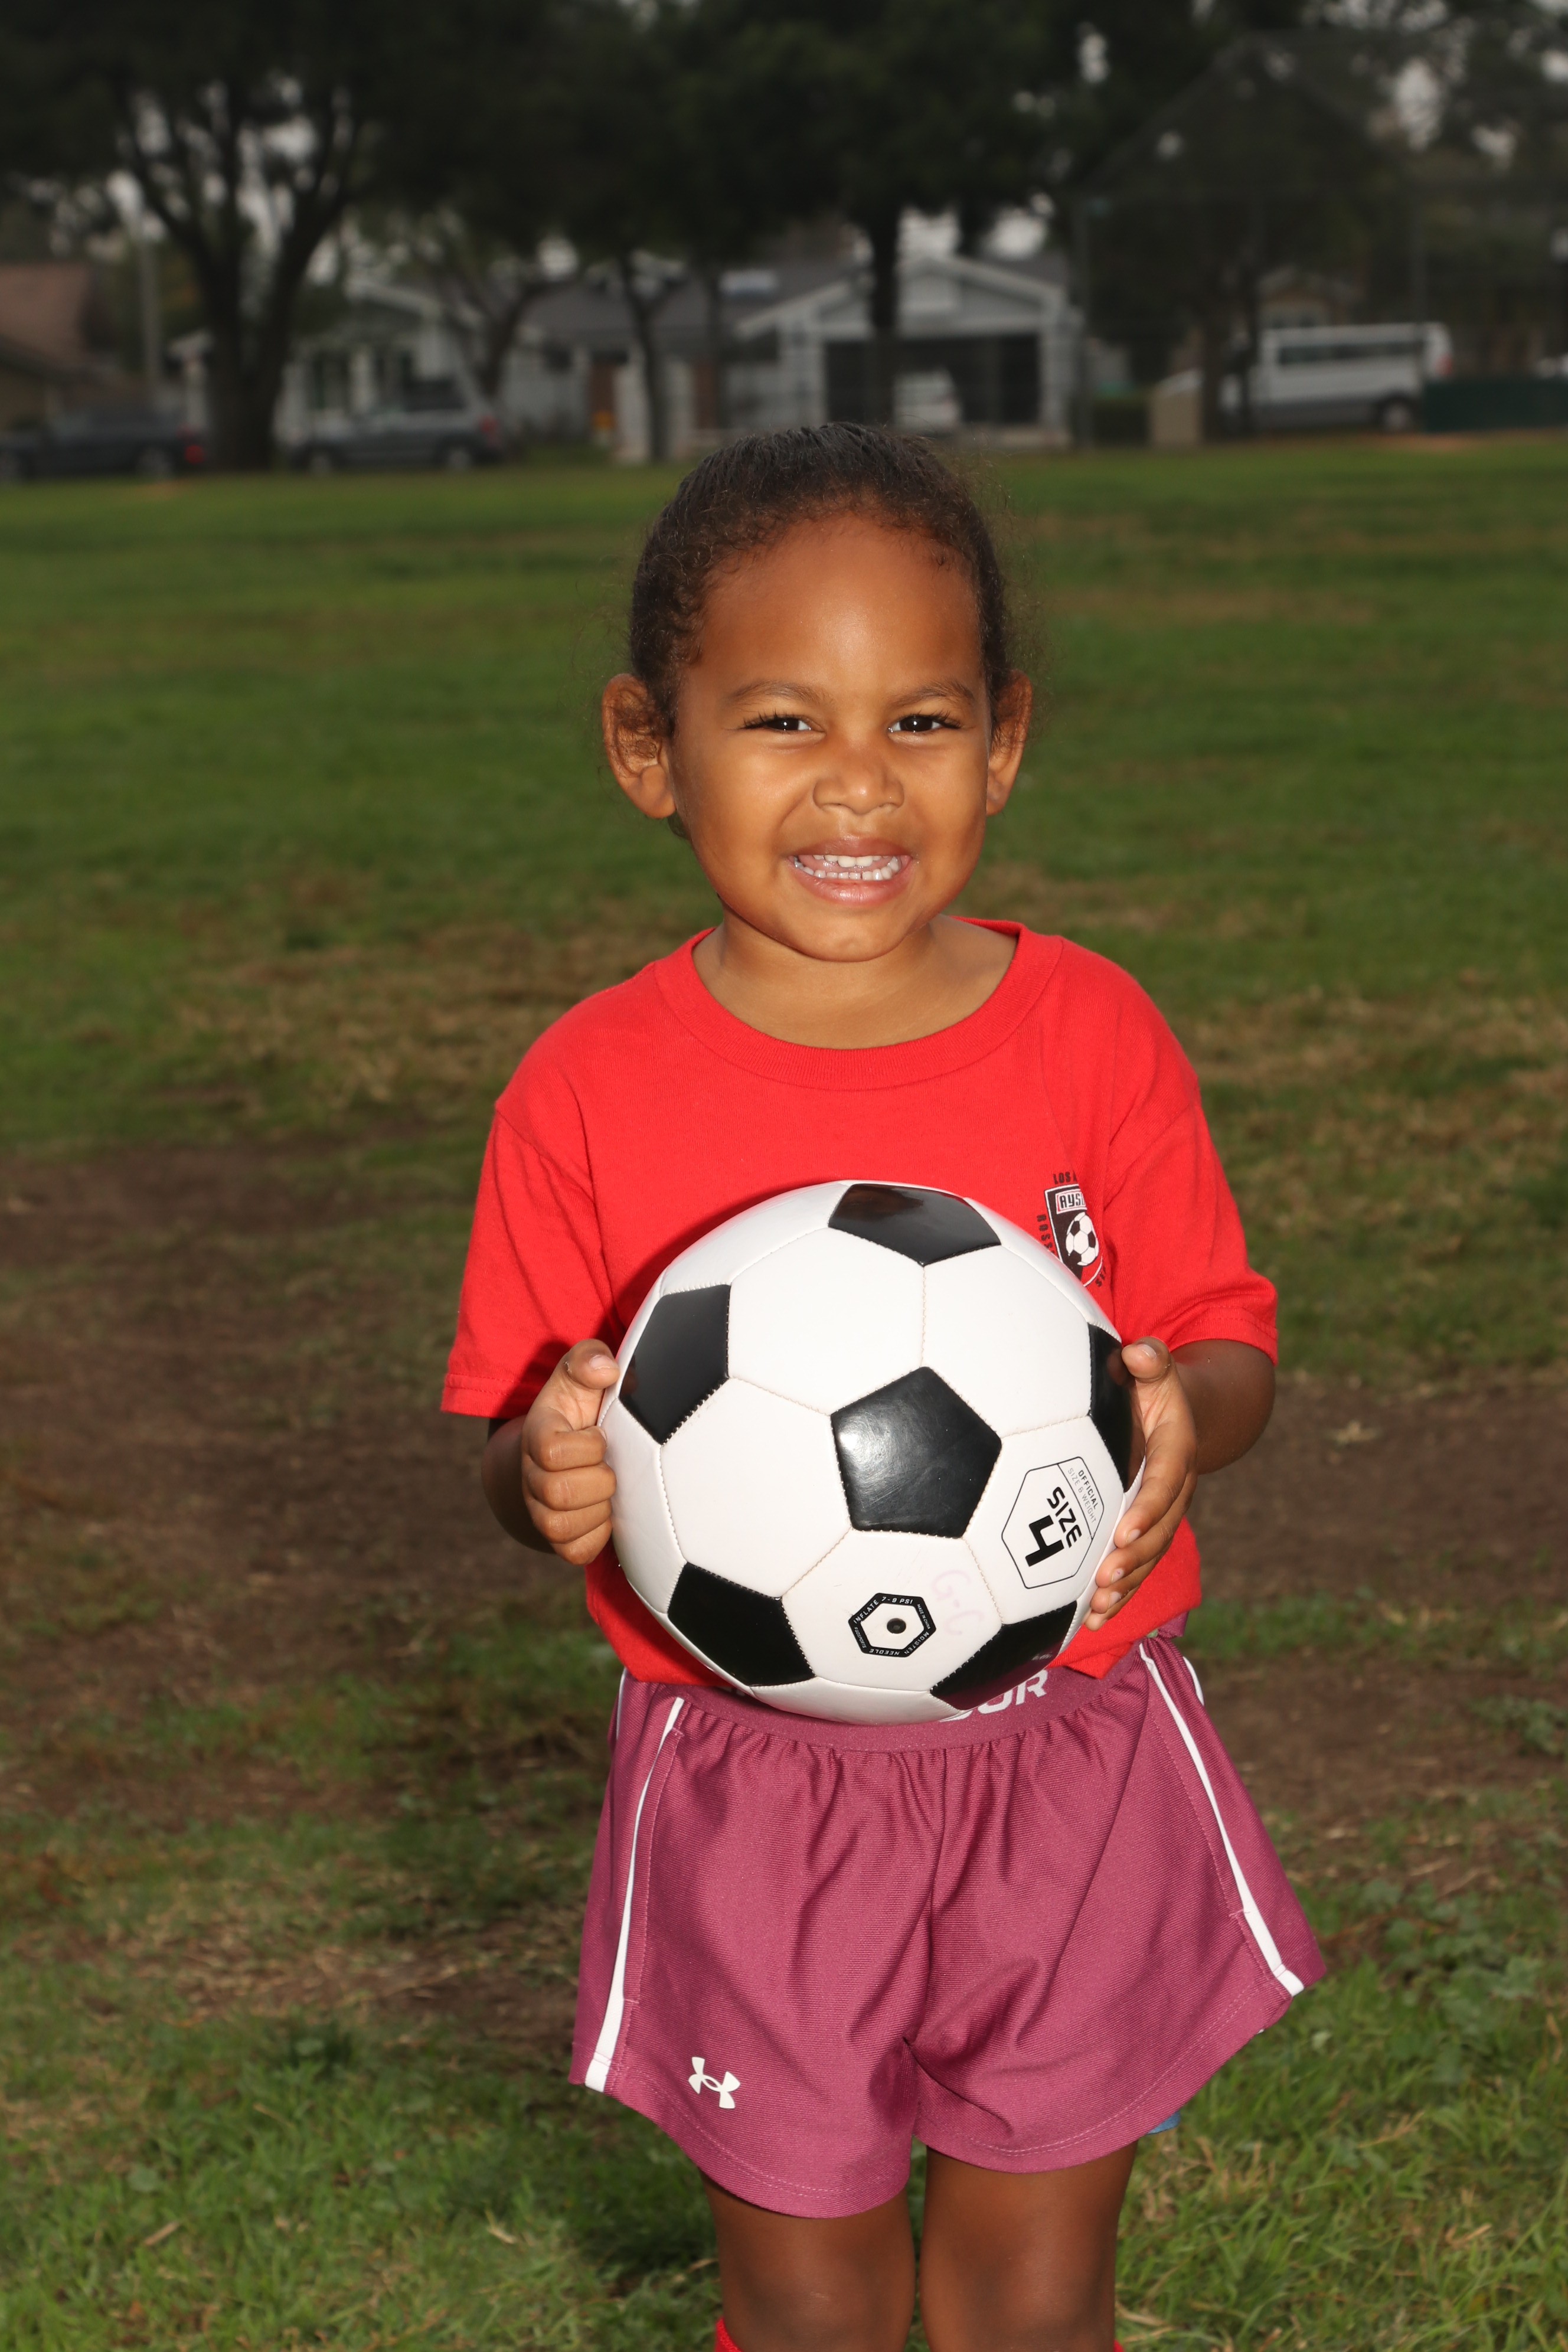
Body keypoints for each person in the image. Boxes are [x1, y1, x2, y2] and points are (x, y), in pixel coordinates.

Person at [444, 425, 1322, 2352]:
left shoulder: (1092, 1030)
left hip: (1075, 1747)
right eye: (782, 721)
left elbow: (1225, 1337)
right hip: (748, 1785)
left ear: (1003, 744)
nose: (858, 780)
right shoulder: (585, 1091)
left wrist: (1197, 1418)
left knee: (1037, 2288)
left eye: (920, 722)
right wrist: (551, 1475)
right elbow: (517, 1448)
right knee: (804, 2287)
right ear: (647, 747)